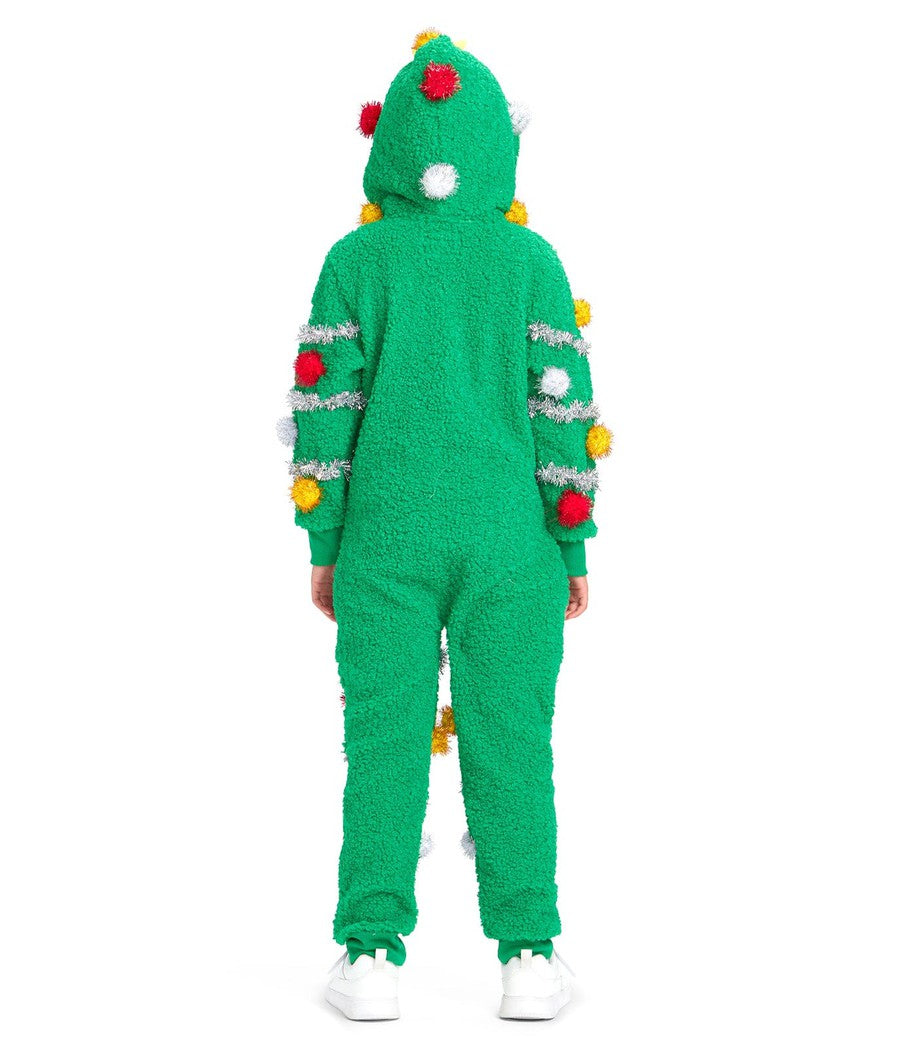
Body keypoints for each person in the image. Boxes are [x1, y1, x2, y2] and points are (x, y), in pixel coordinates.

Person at [279, 28, 612, 1021]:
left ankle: (369, 956)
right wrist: (571, 544)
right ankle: (530, 956)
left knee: (382, 743)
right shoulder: (530, 261)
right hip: (513, 549)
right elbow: (562, 407)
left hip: (382, 546)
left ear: (387, 143)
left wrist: (326, 544)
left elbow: (324, 408)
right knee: (513, 743)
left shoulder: (355, 261)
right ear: (498, 147)